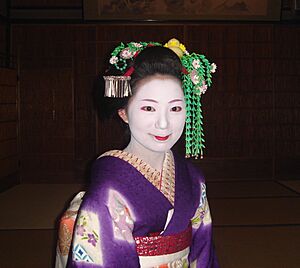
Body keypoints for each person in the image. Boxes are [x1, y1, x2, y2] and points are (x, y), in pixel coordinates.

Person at [56, 39, 218, 268]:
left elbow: (204, 252)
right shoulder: (110, 187)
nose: (164, 124)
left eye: (175, 108)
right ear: (123, 112)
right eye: (149, 108)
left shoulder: (193, 177)